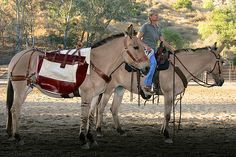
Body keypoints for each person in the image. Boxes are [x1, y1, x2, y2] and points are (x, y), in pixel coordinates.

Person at [137, 8, 175, 93]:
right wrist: (145, 46)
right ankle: (147, 84)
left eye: (157, 14)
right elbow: (137, 39)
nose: (157, 16)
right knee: (153, 63)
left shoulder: (158, 28)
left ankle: (157, 85)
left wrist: (172, 48)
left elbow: (163, 41)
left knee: (164, 62)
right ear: (150, 17)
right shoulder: (145, 26)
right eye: (155, 15)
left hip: (154, 50)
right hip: (145, 50)